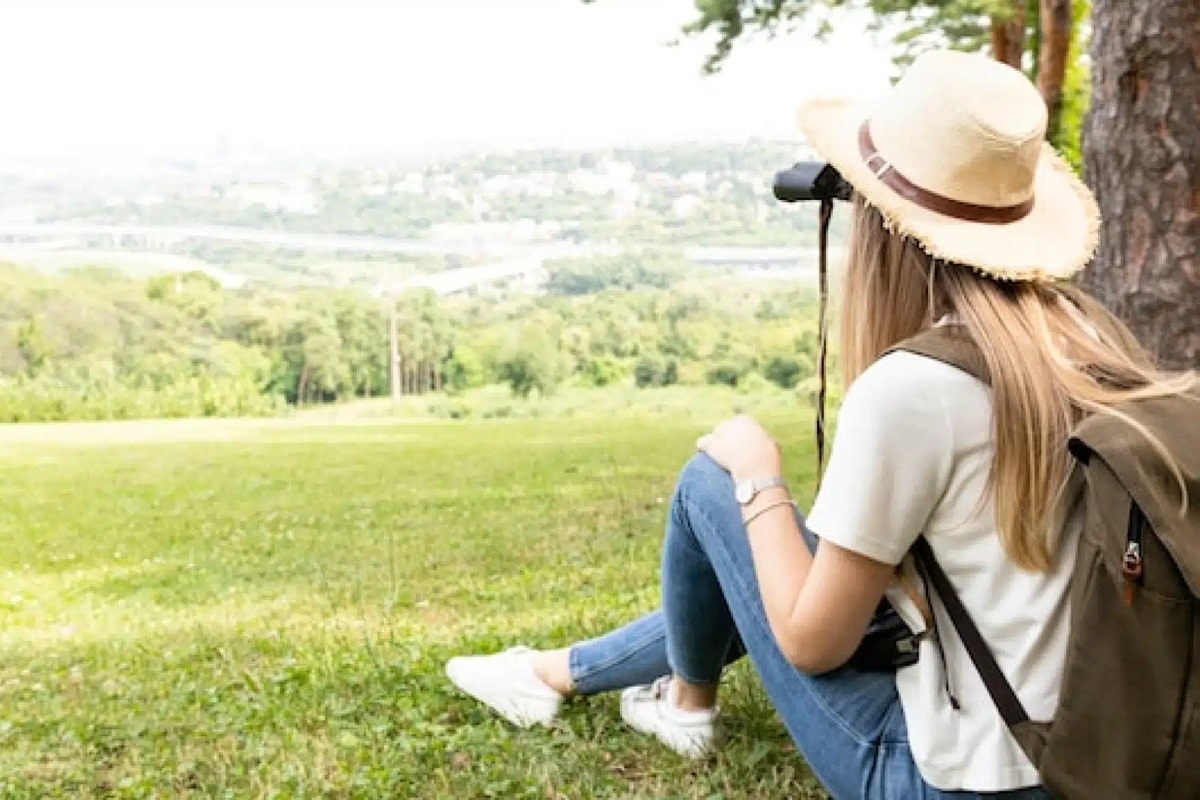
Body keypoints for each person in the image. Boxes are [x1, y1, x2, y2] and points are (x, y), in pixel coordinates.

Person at [444, 50, 1194, 799]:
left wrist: (759, 478)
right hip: (1095, 756)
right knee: (799, 559)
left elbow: (811, 641)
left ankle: (681, 701)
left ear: (882, 225)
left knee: (716, 480)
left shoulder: (914, 390)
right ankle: (568, 673)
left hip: (956, 782)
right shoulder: (1083, 339)